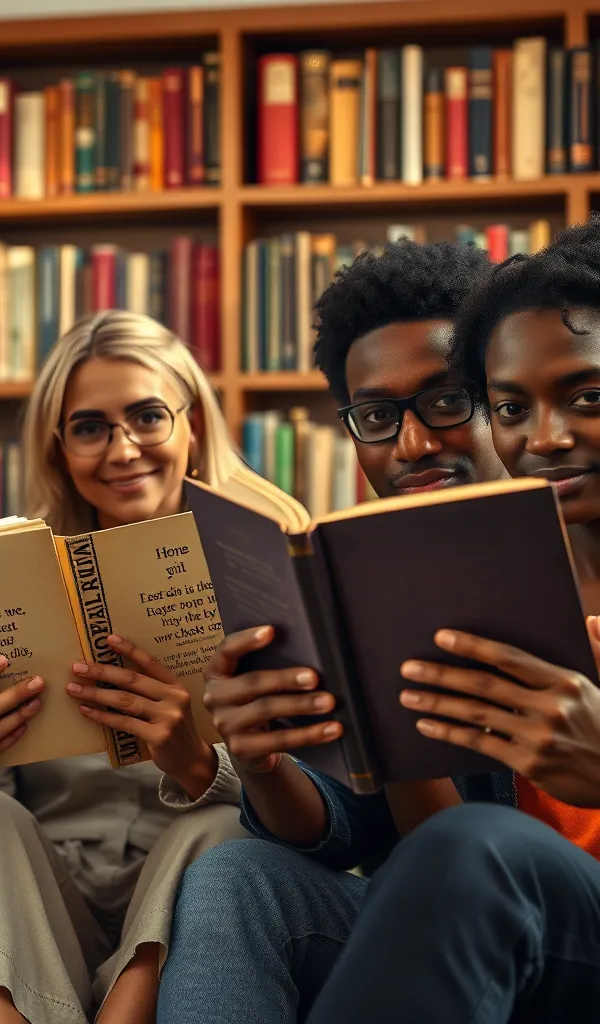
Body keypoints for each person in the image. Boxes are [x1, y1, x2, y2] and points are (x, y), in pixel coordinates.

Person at [157, 239, 527, 1024]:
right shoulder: (354, 570)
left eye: (448, 400)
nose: (415, 445)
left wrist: (384, 707)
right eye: (377, 416)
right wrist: (262, 762)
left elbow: (473, 873)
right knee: (236, 873)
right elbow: (341, 832)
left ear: (505, 395)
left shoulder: (564, 551)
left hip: (550, 932)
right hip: (417, 924)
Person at [0, 310, 248, 1024]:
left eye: (147, 416)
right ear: (59, 447)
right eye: (89, 427)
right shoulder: (13, 577)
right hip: (44, 905)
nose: (122, 450)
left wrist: (200, 763)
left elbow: (314, 800)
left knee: (219, 832)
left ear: (194, 424)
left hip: (187, 905)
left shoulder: (261, 564)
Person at [293, 218, 600, 1022]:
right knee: (232, 871)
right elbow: (423, 850)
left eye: (588, 396)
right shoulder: (489, 587)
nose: (547, 437)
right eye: (511, 406)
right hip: (521, 928)